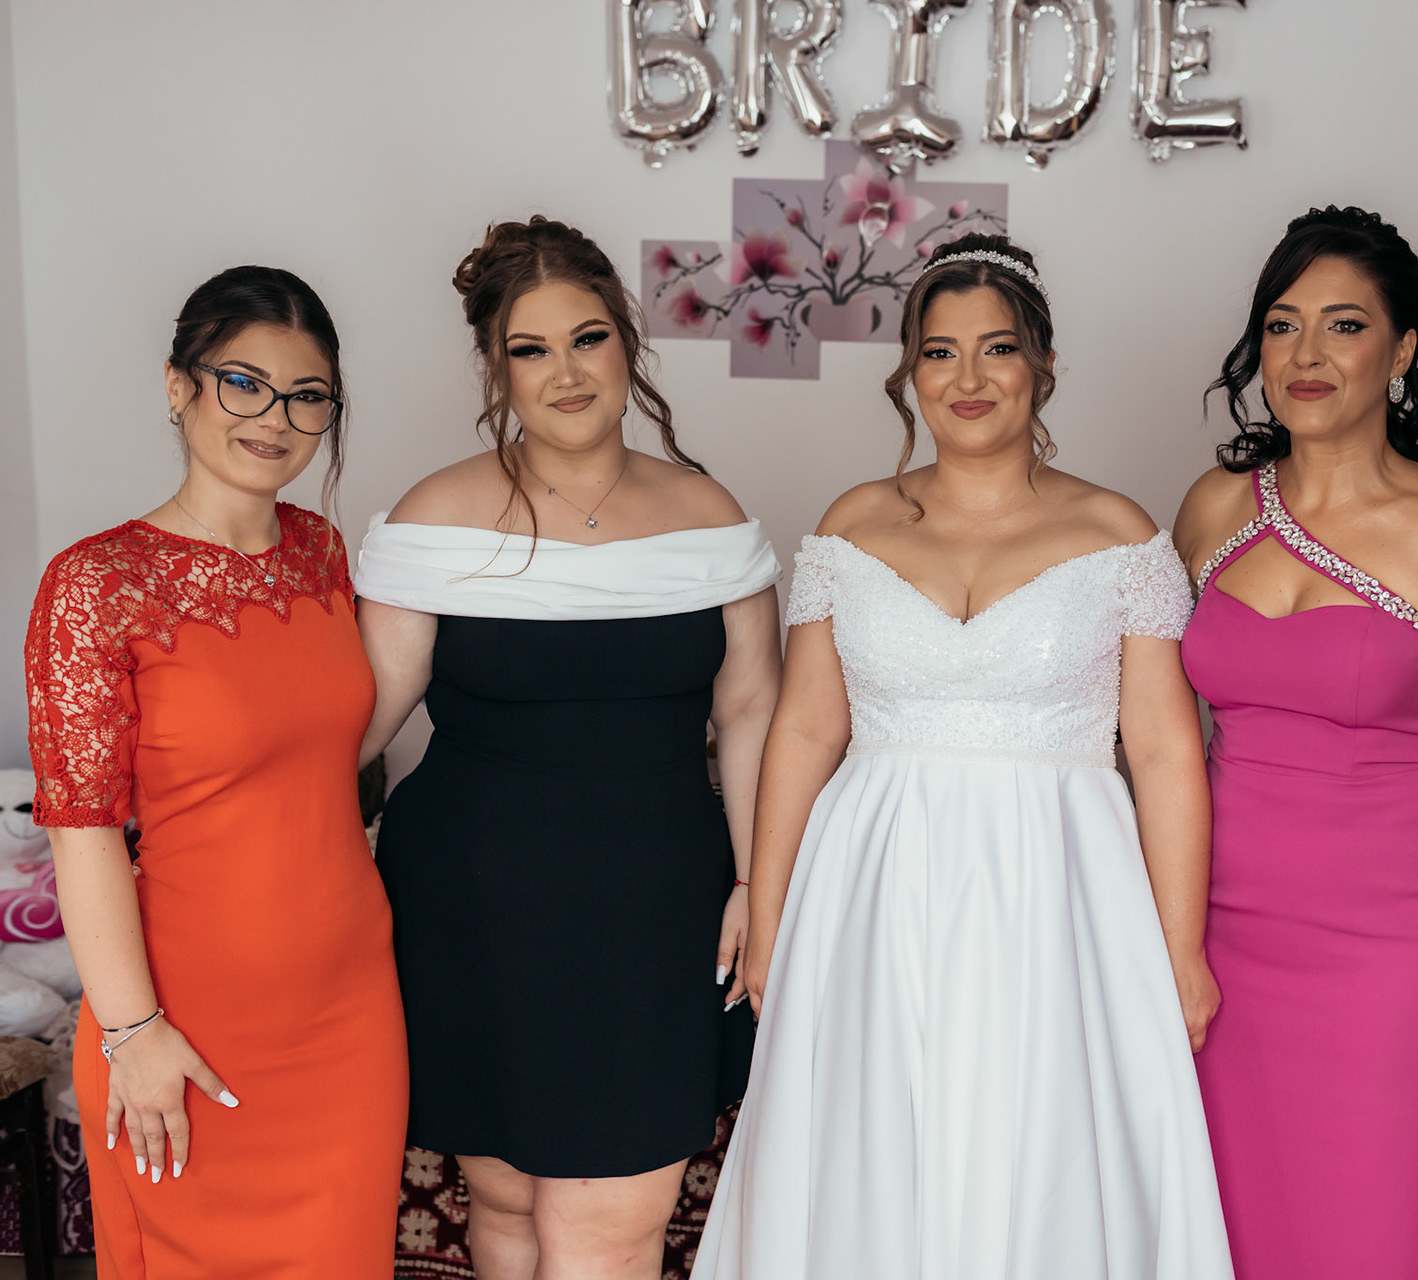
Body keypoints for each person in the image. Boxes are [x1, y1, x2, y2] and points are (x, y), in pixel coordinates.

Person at [692, 234, 1233, 1279]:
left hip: (1060, 882)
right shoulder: (852, 524)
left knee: (1040, 1134)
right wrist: (769, 903)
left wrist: (1180, 948)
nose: (968, 378)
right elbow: (804, 729)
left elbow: (1168, 751)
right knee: (872, 1131)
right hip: (872, 877)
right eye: (940, 352)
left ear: (1043, 364)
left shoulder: (1118, 533)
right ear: (910, 371)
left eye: (998, 348)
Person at [355, 217, 781, 1279]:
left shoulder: (709, 516)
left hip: (658, 905)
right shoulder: (435, 518)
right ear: (494, 366)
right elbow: (353, 729)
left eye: (588, 338)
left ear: (627, 341)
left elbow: (750, 712)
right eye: (530, 349)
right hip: (470, 900)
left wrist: (756, 881)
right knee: (502, 1199)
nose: (566, 372)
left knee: (614, 1223)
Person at [1172, 206, 1418, 1278]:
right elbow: (1157, 739)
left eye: (1344, 326)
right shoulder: (1211, 509)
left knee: (1360, 1238)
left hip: (1388, 957)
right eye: (1282, 325)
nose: (1307, 354)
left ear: (1404, 349)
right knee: (1208, 1236)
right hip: (1209, 938)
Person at [25, 267, 407, 1276]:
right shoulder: (96, 584)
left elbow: (321, 755)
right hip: (186, 1018)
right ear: (178, 384)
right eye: (244, 382)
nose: (275, 417)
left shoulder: (323, 553)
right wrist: (133, 1031)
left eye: (307, 395)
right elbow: (80, 831)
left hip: (350, 1011)